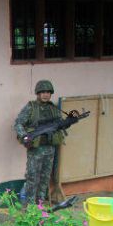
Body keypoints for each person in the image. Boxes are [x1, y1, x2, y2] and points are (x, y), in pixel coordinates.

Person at [12, 79, 75, 207]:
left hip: (50, 148)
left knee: (45, 179)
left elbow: (58, 124)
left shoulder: (53, 108)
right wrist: (24, 136)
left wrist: (67, 122)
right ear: (38, 93)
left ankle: (40, 204)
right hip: (36, 150)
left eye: (48, 92)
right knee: (32, 178)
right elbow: (18, 123)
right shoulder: (31, 107)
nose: (46, 94)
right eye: (43, 92)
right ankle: (29, 207)